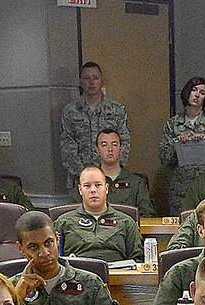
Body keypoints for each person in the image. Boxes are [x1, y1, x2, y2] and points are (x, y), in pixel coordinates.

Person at [11, 210, 124, 305]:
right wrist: (15, 299)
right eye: (33, 247)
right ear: (20, 248)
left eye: (48, 243)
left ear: (57, 239)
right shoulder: (9, 288)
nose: (44, 253)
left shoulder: (91, 284)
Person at [59, 61, 131, 190]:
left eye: (95, 78)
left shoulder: (116, 109)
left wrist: (112, 171)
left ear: (102, 81)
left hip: (111, 179)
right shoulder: (71, 111)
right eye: (87, 78)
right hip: (80, 180)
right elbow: (67, 146)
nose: (91, 82)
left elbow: (124, 142)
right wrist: (84, 175)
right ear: (80, 82)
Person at [161, 77, 205, 216]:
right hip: (181, 188)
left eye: (202, 93)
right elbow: (164, 159)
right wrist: (177, 144)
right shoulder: (173, 124)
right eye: (194, 90)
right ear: (187, 92)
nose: (197, 95)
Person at [54, 167, 142, 263]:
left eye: (98, 185)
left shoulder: (126, 222)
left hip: (116, 275)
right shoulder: (63, 222)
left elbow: (138, 260)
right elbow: (55, 260)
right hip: (76, 275)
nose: (93, 190)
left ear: (106, 188)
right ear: (80, 190)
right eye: (87, 186)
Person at [94, 128, 155, 218]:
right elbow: (72, 214)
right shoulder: (88, 182)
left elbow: (148, 216)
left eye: (114, 145)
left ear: (121, 149)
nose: (110, 149)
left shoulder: (136, 183)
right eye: (104, 145)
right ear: (97, 150)